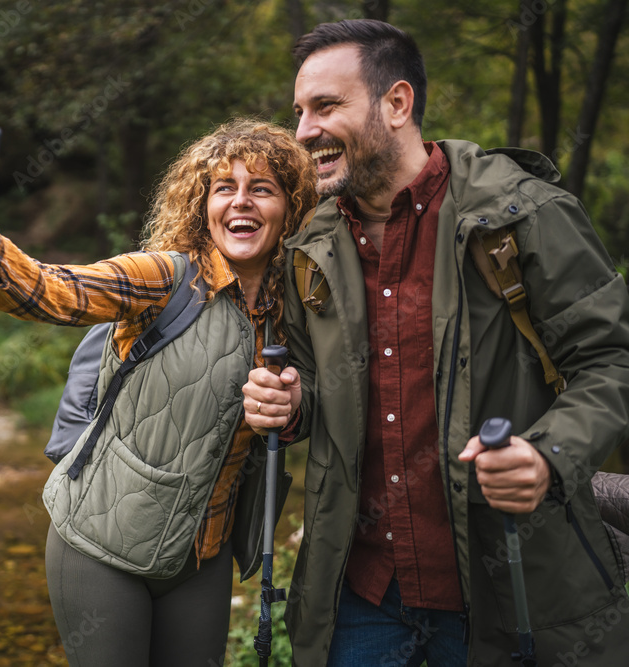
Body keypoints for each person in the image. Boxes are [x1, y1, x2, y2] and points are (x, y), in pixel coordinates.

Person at [242, 19, 629, 667]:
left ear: (397, 104)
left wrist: (548, 452)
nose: (304, 129)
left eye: (326, 106)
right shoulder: (309, 243)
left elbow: (609, 358)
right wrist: (286, 400)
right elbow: (310, 387)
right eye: (299, 110)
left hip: (507, 585)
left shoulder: (524, 214)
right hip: (361, 593)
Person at [0, 118, 318, 666]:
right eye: (225, 188)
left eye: (262, 189)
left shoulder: (295, 309)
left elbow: (325, 401)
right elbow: (49, 291)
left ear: (290, 208)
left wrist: (293, 408)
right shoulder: (166, 279)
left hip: (201, 557)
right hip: (101, 545)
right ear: (202, 205)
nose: (240, 203)